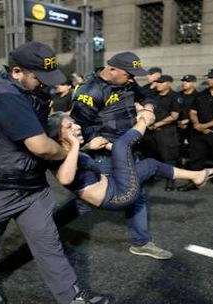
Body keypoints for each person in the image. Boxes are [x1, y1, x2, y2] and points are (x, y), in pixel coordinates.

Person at [0, 42, 108, 304]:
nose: (46, 84)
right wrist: (73, 151)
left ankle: (71, 298)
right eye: (40, 77)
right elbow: (40, 146)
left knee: (49, 243)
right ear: (17, 72)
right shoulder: (3, 96)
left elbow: (38, 121)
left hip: (30, 184)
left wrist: (60, 118)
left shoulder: (25, 87)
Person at [67, 51, 173, 261]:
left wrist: (148, 109)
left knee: (137, 193)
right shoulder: (90, 91)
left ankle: (141, 242)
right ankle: (47, 226)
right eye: (129, 74)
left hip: (127, 148)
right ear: (112, 69)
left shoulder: (127, 82)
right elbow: (79, 128)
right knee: (88, 201)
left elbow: (146, 95)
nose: (133, 79)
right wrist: (104, 144)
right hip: (103, 155)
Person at [48, 111, 213, 210]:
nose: (77, 127)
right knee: (121, 145)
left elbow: (75, 158)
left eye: (74, 123)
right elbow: (65, 178)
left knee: (149, 165)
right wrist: (78, 146)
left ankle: (197, 175)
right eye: (69, 126)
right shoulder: (58, 156)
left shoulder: (68, 150)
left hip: (114, 184)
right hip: (117, 196)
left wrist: (86, 147)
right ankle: (143, 120)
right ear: (58, 136)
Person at [177, 67, 213, 200]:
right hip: (198, 132)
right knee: (196, 158)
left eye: (212, 77)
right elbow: (193, 112)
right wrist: (198, 125)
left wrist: (205, 126)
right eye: (208, 77)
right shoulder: (201, 94)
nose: (209, 79)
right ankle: (193, 182)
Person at [140, 75, 180, 191]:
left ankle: (170, 181)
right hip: (150, 132)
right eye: (157, 82)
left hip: (166, 131)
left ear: (169, 83)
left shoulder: (174, 96)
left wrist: (157, 124)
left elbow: (174, 115)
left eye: (161, 82)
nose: (158, 84)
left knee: (168, 157)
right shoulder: (153, 95)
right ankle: (150, 178)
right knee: (149, 155)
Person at [177, 74, 198, 167]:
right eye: (183, 81)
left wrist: (187, 121)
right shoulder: (177, 95)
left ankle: (191, 169)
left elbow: (200, 112)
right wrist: (179, 122)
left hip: (192, 126)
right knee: (177, 148)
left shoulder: (199, 96)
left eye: (187, 81)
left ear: (193, 83)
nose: (184, 83)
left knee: (194, 149)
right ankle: (177, 167)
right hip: (178, 126)